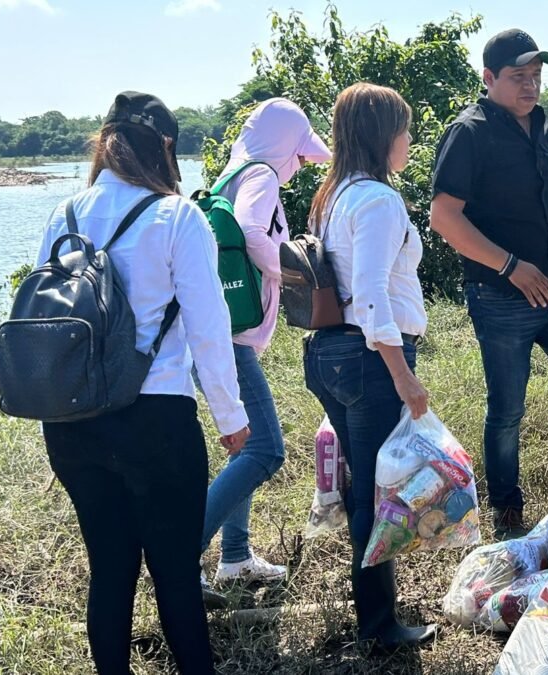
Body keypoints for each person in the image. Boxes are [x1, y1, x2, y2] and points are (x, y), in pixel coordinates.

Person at [37, 92, 250, 674]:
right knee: (175, 577)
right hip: (155, 418)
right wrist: (231, 419)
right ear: (165, 148)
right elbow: (210, 328)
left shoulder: (66, 214)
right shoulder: (177, 216)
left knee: (109, 570)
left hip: (73, 421)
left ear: (105, 141)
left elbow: (43, 321)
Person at [430, 28, 548, 539]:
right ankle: (507, 509)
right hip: (501, 294)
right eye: (518, 77)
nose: (530, 87)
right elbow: (445, 218)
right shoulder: (469, 133)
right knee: (508, 409)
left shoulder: (543, 124)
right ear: (489, 79)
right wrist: (509, 266)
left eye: (536, 77)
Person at [303, 82, 436, 651]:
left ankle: (375, 613)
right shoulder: (379, 200)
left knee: (366, 487)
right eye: (404, 129)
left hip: (330, 355)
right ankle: (379, 627)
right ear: (384, 136)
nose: (409, 140)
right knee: (375, 498)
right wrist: (404, 377)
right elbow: (373, 295)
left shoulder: (333, 193)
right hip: (369, 357)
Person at [200, 98, 331, 586]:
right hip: (233, 343)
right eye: (298, 155)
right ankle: (181, 553)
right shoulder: (260, 177)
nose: (299, 166)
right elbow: (254, 230)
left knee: (246, 447)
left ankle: (235, 557)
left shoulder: (229, 176)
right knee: (267, 451)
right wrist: (295, 276)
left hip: (226, 336)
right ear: (281, 148)